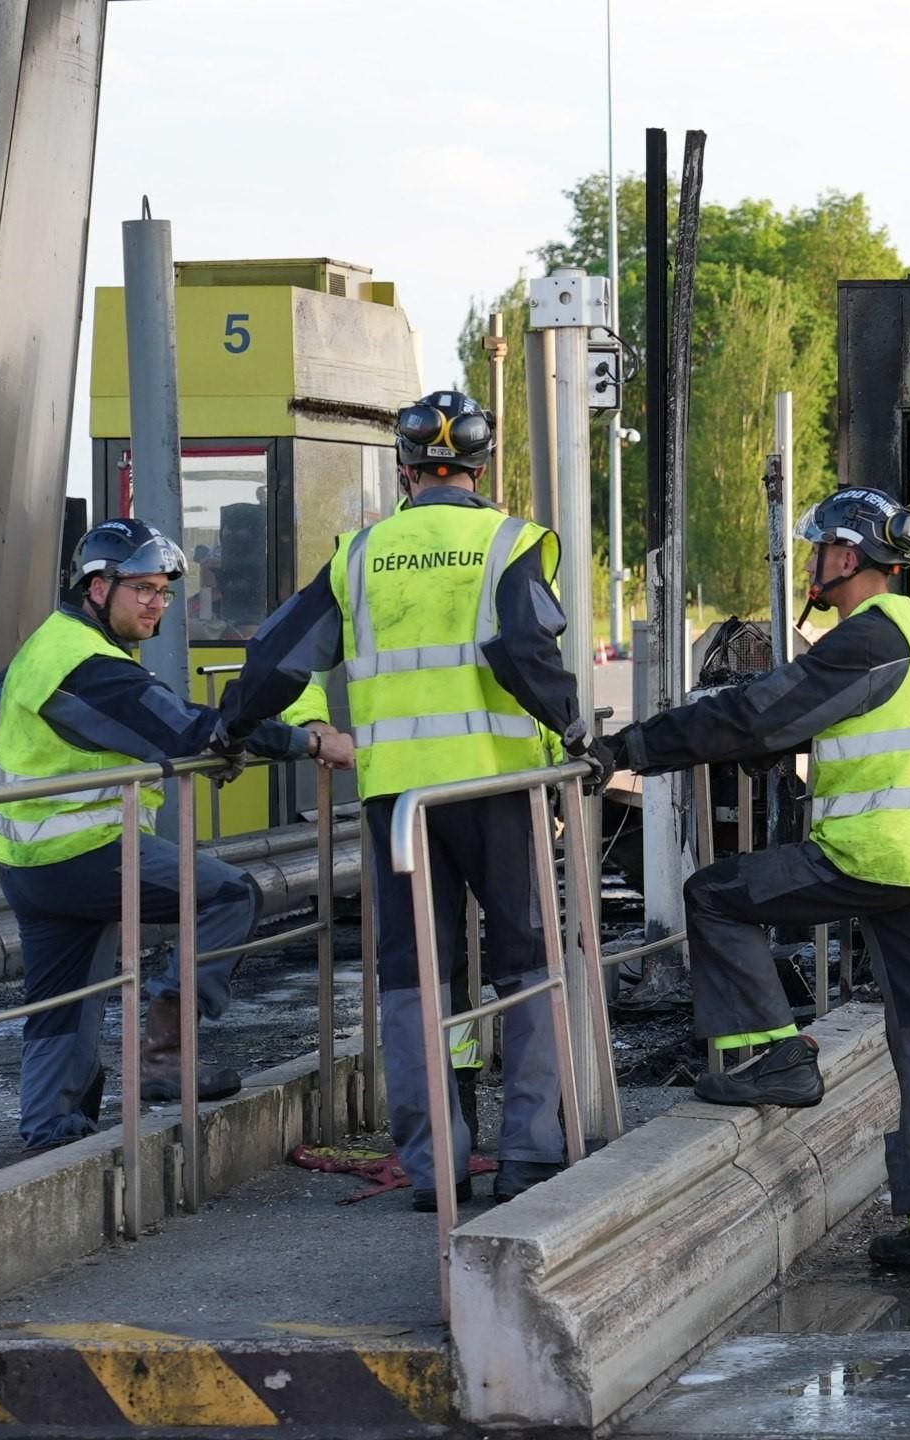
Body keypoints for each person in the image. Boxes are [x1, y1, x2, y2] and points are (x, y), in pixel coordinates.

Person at [588, 487, 910, 1270]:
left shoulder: (868, 639)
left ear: (845, 557)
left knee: (716, 896)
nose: (811, 563)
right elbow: (828, 725)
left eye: (818, 550)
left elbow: (757, 713)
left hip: (872, 856)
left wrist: (629, 748)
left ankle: (773, 1055)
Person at [221, 389, 586, 1211]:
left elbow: (279, 659)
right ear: (482, 467)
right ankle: (531, 1151)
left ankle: (438, 1168)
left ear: (406, 469)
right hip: (499, 789)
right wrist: (574, 731)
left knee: (421, 979)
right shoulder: (509, 541)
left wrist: (231, 727)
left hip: (398, 805)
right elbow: (522, 649)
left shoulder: (360, 552)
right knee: (525, 966)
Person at [0, 519, 354, 1153]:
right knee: (229, 896)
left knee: (65, 1001)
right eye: (142, 589)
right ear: (97, 588)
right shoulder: (89, 665)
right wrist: (310, 740)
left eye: (164, 591)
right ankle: (164, 1060)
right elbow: (186, 729)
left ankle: (50, 1134)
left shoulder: (53, 643)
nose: (157, 604)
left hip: (27, 857)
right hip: (79, 851)